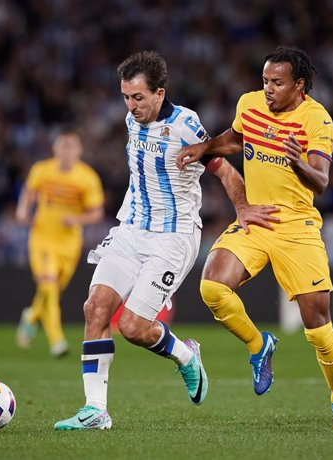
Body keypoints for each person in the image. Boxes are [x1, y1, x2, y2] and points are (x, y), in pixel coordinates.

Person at [54, 50, 277, 431]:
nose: (131, 105)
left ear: (160, 93)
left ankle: (186, 357)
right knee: (96, 309)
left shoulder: (186, 125)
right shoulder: (131, 119)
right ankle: (96, 410)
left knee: (135, 328)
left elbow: (223, 168)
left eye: (138, 97)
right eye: (125, 97)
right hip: (130, 230)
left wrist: (242, 208)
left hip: (172, 237)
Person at [176, 46, 333, 430]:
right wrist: (203, 148)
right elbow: (233, 139)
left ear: (299, 85)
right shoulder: (250, 103)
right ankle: (260, 346)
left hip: (296, 226)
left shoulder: (317, 119)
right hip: (257, 219)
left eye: (277, 82)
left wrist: (298, 163)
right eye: (265, 81)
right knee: (212, 287)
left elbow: (321, 181)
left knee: (318, 327)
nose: (268, 89)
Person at [15, 127, 105, 357]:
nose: (66, 151)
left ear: (79, 150)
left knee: (53, 288)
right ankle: (57, 341)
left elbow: (96, 213)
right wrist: (23, 210)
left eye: (71, 146)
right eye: (62, 146)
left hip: (69, 242)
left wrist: (76, 218)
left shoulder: (87, 177)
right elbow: (29, 192)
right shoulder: (41, 170)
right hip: (42, 237)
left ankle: (32, 315)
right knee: (49, 285)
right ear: (55, 149)